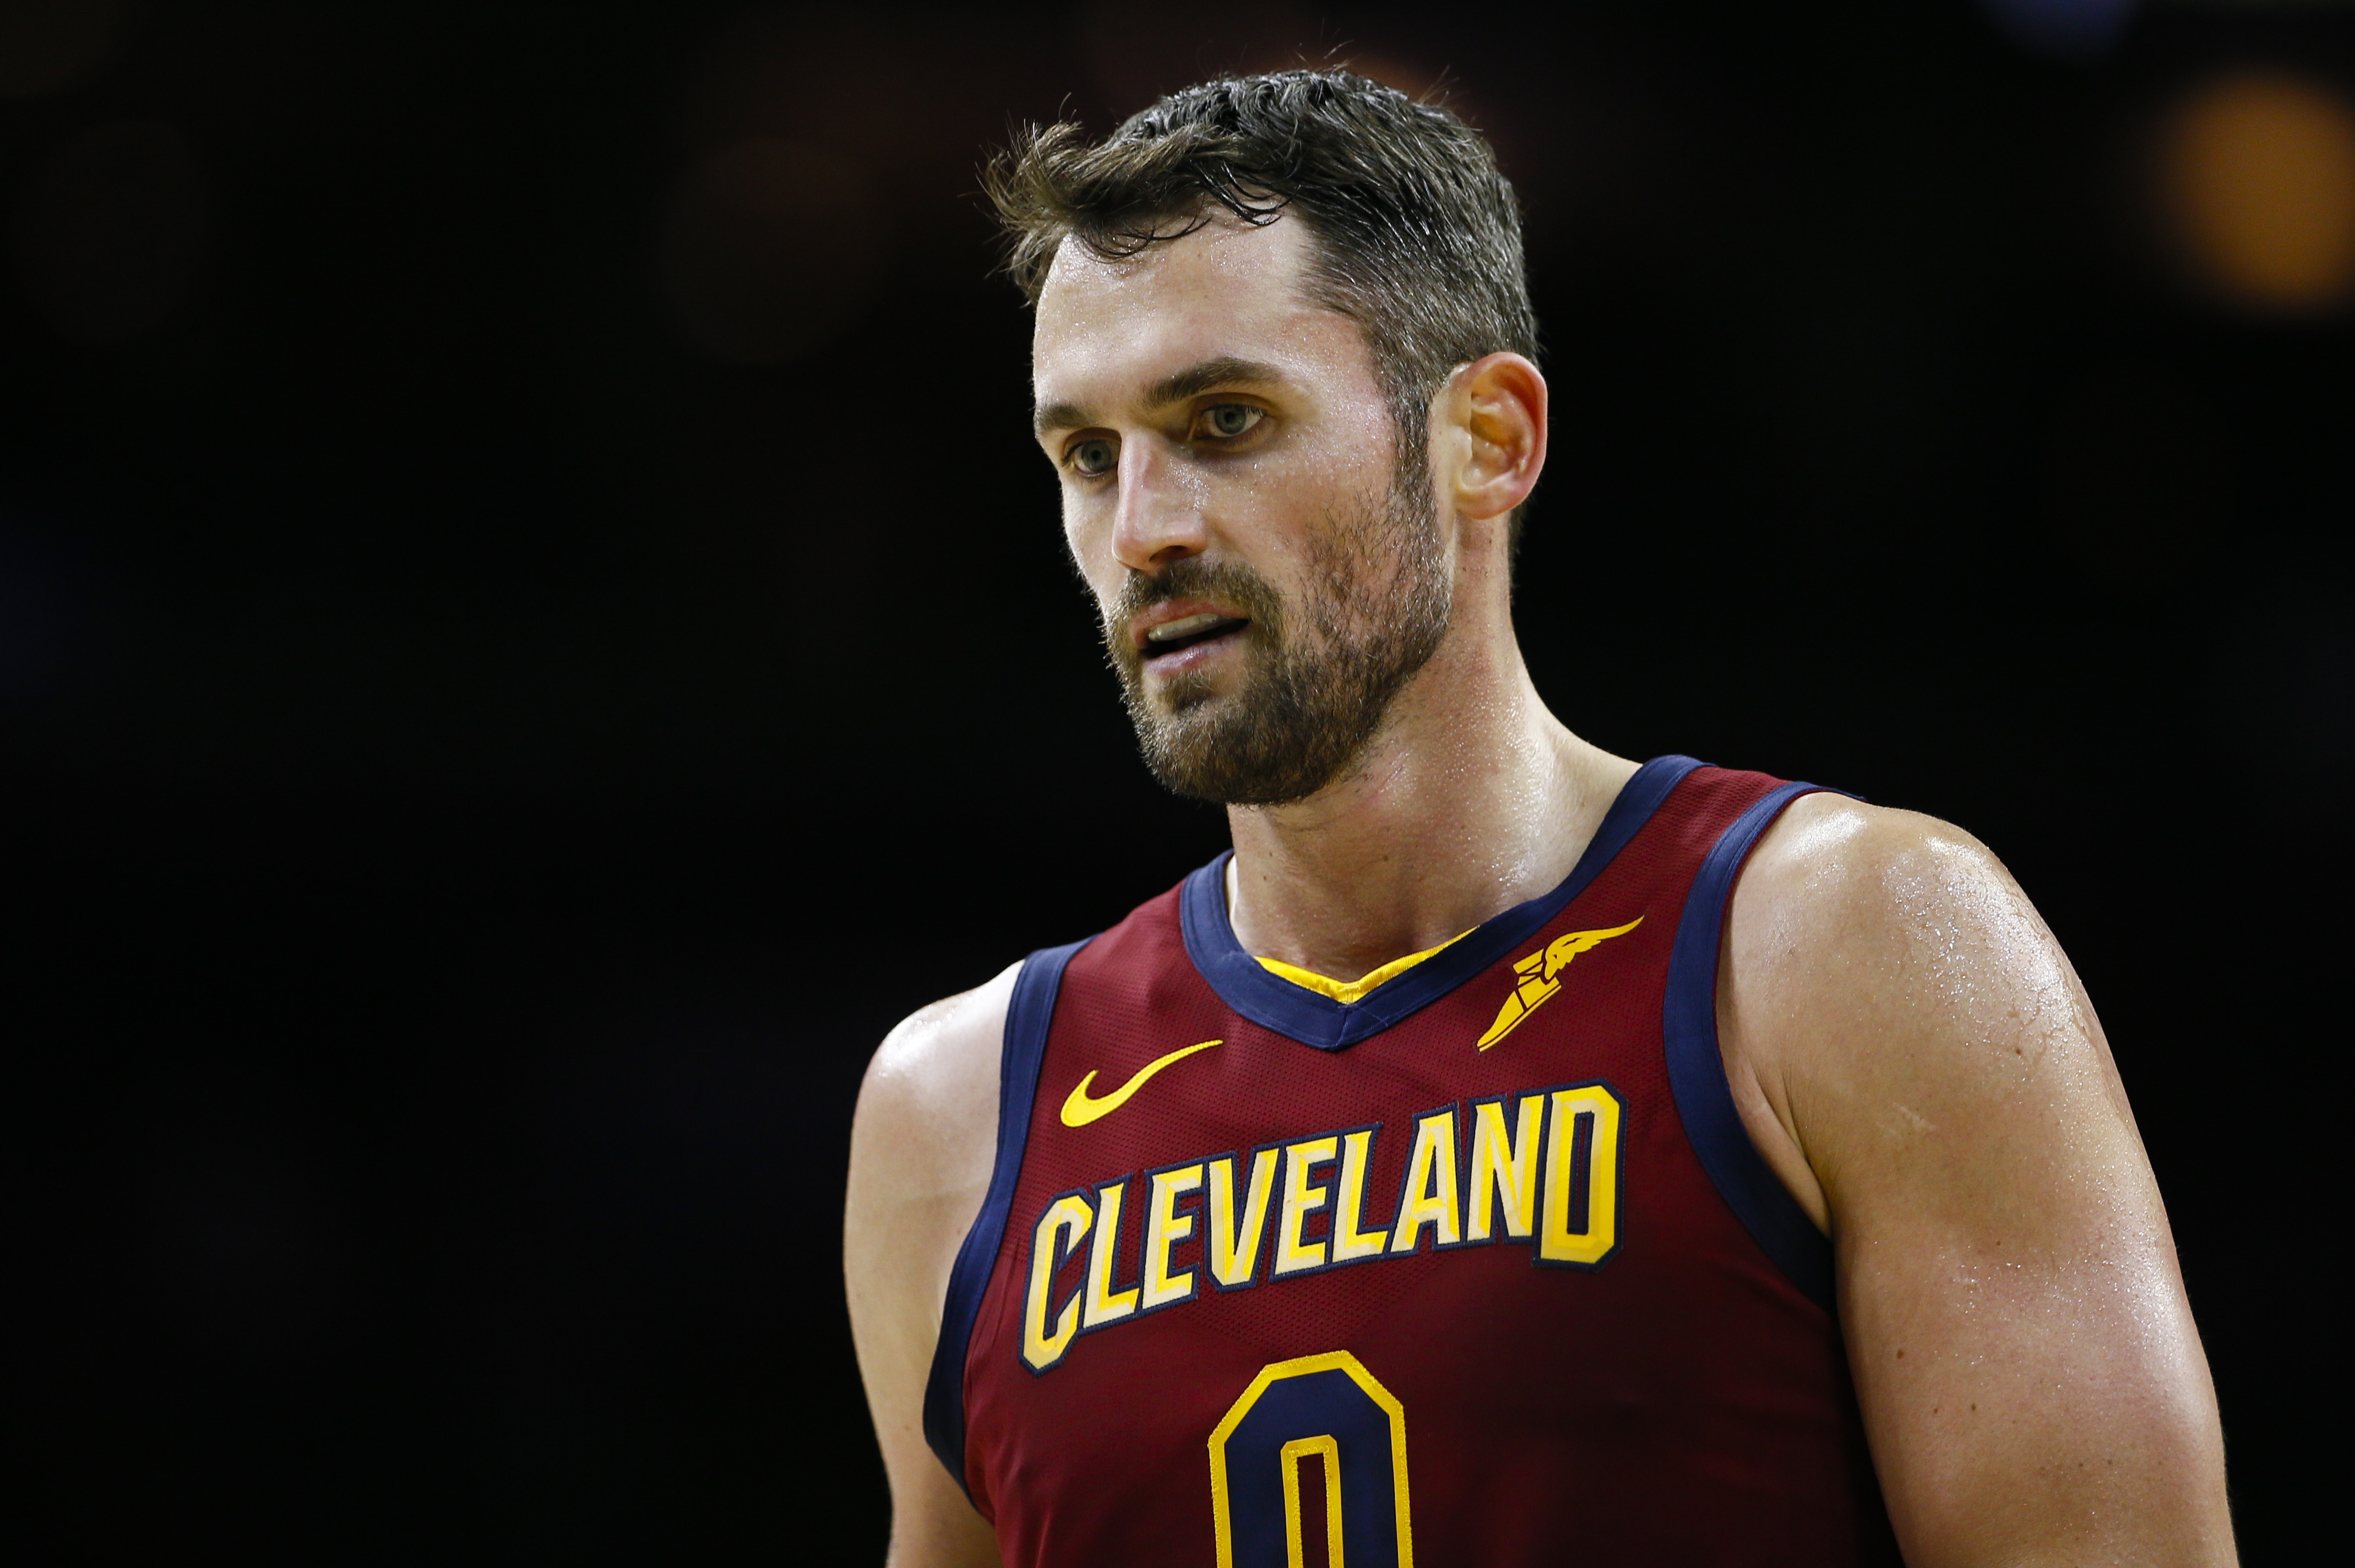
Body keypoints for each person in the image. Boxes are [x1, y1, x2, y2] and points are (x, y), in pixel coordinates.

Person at [844, 69, 2234, 1567]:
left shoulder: (1850, 947)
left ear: (1489, 439)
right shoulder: (957, 1114)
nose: (1144, 530)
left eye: (1226, 420)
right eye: (1088, 456)